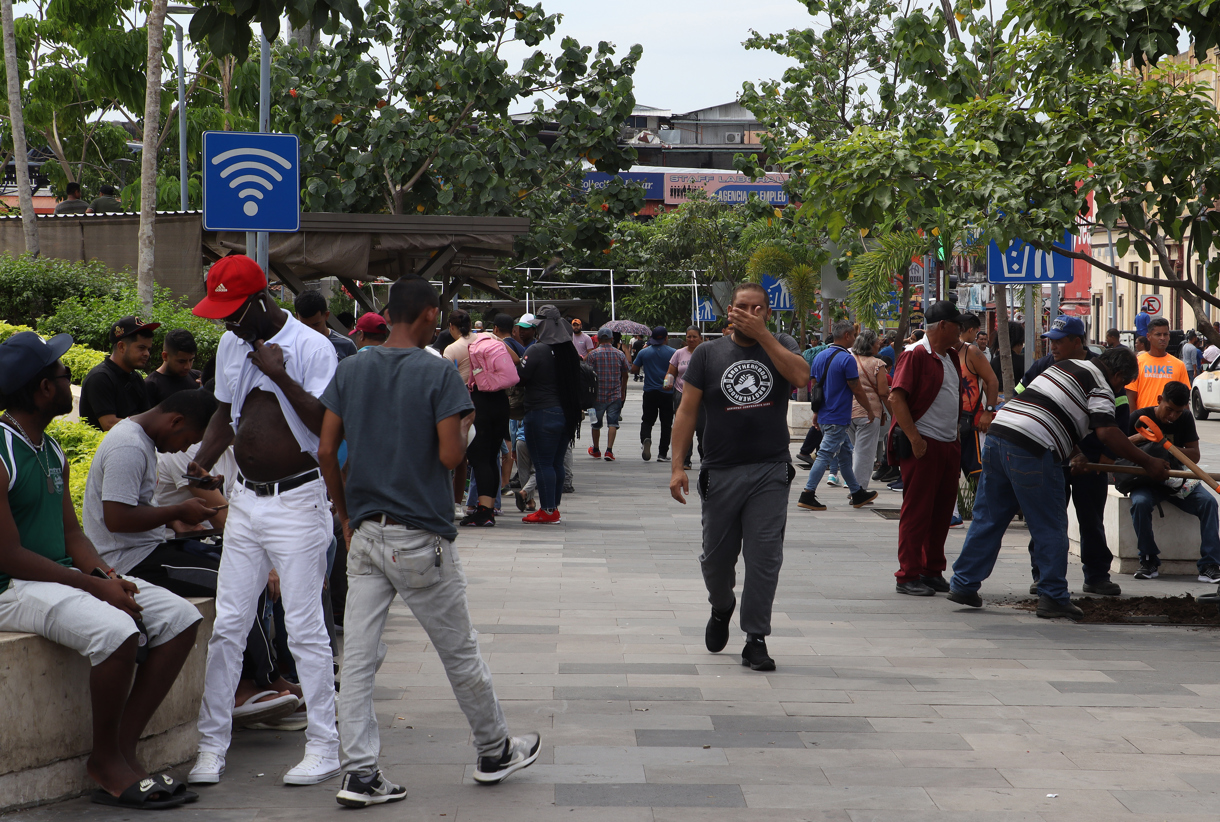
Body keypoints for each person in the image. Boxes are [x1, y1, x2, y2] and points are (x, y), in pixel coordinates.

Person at [317, 277, 539, 807]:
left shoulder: (350, 369)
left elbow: (327, 451)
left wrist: (345, 519)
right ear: (428, 316)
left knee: (360, 660)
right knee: (460, 652)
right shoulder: (437, 372)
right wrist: (466, 430)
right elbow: (448, 458)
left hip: (365, 533)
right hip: (421, 537)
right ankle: (493, 750)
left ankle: (360, 773)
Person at [0, 331, 202, 810]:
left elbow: (72, 536)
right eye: (61, 375)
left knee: (178, 619)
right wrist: (91, 586)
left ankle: (121, 751)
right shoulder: (2, 452)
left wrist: (106, 578)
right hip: (12, 587)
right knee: (115, 631)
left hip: (60, 575)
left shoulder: (50, 449)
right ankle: (106, 761)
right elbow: (7, 555)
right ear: (42, 390)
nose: (70, 381)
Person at [185, 255, 342, 787]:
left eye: (234, 311)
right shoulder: (231, 344)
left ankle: (325, 745)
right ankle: (211, 745)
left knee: (305, 629)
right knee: (228, 624)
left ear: (261, 300)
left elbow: (326, 426)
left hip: (297, 500)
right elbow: (224, 415)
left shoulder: (311, 347)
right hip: (246, 501)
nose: (226, 322)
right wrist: (203, 457)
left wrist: (280, 376)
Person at [83, 389, 301, 729]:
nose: (185, 448)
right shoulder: (128, 445)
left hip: (154, 547)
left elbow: (134, 507)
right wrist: (179, 509)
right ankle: (250, 686)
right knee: (240, 581)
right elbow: (117, 519)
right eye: (189, 438)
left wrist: (174, 516)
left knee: (247, 567)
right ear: (175, 421)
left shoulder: (140, 440)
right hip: (131, 561)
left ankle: (263, 679)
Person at [948, 348, 1171, 619]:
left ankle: (963, 582)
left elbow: (1053, 413)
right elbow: (1108, 432)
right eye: (1122, 384)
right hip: (1032, 448)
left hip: (999, 436)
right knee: (1050, 524)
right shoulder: (1101, 384)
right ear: (1119, 375)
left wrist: (1075, 453)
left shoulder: (1066, 365)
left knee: (989, 517)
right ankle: (1053, 594)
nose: (1119, 389)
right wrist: (1148, 463)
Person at [669, 282, 808, 672]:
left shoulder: (780, 344)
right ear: (729, 311)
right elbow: (686, 412)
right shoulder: (708, 354)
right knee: (716, 560)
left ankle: (755, 638)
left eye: (757, 308)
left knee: (765, 558)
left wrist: (764, 336)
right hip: (720, 470)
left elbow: (800, 377)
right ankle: (722, 605)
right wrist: (678, 465)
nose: (749, 313)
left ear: (767, 311)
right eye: (742, 307)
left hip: (770, 469)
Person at [1014, 315, 1123, 596]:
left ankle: (1097, 576)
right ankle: (1043, 575)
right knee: (1048, 520)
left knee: (1091, 521)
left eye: (1059, 341)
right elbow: (1019, 398)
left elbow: (1120, 416)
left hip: (1093, 462)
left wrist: (1107, 459)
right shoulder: (1043, 366)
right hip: (1053, 457)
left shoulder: (1101, 368)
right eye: (1050, 341)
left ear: (1078, 342)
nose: (1052, 346)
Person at [888, 301, 963, 596]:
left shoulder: (952, 356)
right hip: (924, 444)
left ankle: (932, 570)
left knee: (942, 511)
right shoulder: (915, 354)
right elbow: (896, 398)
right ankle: (907, 575)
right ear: (943, 326)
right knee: (917, 511)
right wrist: (915, 439)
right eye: (957, 325)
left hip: (948, 443)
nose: (961, 330)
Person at [1126, 382, 1220, 583]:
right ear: (1160, 400)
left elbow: (1194, 455)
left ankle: (1210, 565)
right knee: (1140, 503)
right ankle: (1148, 560)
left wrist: (1165, 446)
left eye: (1178, 412)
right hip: (1147, 481)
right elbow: (1122, 451)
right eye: (1169, 410)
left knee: (1209, 503)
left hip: (1179, 479)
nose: (1172, 416)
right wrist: (1139, 440)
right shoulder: (1139, 417)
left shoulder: (1185, 418)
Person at [796, 320, 878, 509]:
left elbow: (816, 386)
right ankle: (807, 493)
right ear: (848, 336)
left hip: (826, 415)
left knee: (844, 455)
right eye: (854, 334)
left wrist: (816, 412)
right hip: (838, 416)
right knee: (825, 455)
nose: (855, 338)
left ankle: (857, 493)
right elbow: (856, 388)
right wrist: (869, 410)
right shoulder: (847, 359)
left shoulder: (820, 356)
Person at [515, 306, 582, 523]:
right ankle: (554, 508)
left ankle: (548, 511)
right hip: (566, 414)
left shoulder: (536, 350)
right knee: (555, 463)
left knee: (543, 463)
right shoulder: (569, 350)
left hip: (541, 414)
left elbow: (520, 378)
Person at [460, 313, 518, 528]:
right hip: (501, 403)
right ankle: (489, 508)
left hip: (480, 404)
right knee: (491, 457)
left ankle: (484, 512)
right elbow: (516, 360)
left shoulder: (459, 346)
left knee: (479, 459)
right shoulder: (495, 342)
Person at [80, 316, 160, 431]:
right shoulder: (100, 378)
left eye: (148, 349)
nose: (147, 354)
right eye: (141, 348)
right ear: (121, 346)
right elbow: (109, 424)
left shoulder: (136, 377)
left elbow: (146, 415)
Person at [845, 329, 890, 494]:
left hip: (848, 411)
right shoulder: (877, 364)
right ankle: (858, 490)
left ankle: (852, 485)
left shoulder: (849, 360)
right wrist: (894, 412)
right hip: (869, 412)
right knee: (865, 453)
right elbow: (884, 392)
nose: (879, 344)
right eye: (877, 342)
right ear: (870, 345)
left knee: (856, 450)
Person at [631, 327, 677, 462]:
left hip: (650, 392)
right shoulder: (673, 353)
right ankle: (662, 454)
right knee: (666, 423)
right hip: (667, 392)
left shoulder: (644, 352)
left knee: (647, 420)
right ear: (666, 338)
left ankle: (646, 438)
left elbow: (634, 370)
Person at [1125, 317, 1190, 412]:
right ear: (1148, 336)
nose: (1162, 338)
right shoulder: (1137, 363)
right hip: (1144, 421)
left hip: (1171, 422)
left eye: (1165, 334)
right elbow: (1130, 397)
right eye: (1158, 334)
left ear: (1169, 336)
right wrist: (1135, 422)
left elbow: (1184, 400)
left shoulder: (1179, 365)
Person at [587, 327, 630, 461]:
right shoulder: (619, 354)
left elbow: (587, 374)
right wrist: (622, 390)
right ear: (612, 339)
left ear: (598, 339)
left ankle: (596, 449)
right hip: (615, 393)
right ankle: (609, 451)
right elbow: (625, 374)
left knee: (595, 423)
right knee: (613, 423)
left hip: (596, 395)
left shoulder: (593, 355)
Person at [666, 327, 705, 469]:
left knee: (702, 427)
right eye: (689, 337)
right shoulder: (678, 353)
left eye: (695, 337)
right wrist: (667, 383)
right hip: (681, 392)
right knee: (684, 426)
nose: (692, 339)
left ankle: (704, 457)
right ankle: (686, 460)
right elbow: (671, 372)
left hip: (701, 395)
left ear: (700, 338)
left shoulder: (705, 352)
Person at [144, 329, 201, 406]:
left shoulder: (197, 378)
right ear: (165, 356)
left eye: (191, 360)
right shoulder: (151, 386)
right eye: (181, 361)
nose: (187, 367)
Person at [295, 291, 358, 360]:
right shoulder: (292, 345)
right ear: (297, 316)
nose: (311, 330)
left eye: (316, 324)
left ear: (326, 315)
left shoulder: (346, 345)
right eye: (305, 325)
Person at [443, 309, 476, 382]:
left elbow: (444, 379)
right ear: (470, 324)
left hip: (465, 391)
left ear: (451, 326)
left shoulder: (451, 349)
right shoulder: (487, 336)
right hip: (494, 390)